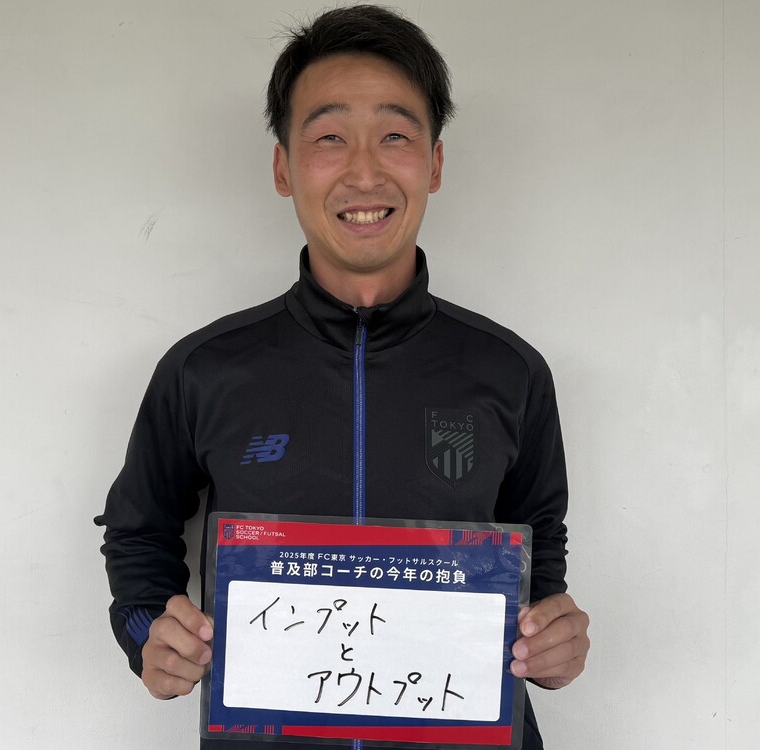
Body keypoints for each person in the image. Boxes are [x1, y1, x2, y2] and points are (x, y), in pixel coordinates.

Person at [95, 5, 589, 748]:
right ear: (283, 168)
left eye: (395, 135)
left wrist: (552, 642)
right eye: (329, 137)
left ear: (436, 164)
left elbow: (537, 546)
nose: (364, 171)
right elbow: (139, 531)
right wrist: (147, 635)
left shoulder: (509, 371)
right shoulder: (205, 369)